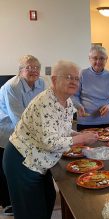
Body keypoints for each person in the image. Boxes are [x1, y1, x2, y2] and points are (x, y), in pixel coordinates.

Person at [3, 60, 99, 219]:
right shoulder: (44, 103)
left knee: (48, 200)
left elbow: (61, 129)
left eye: (77, 78)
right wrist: (81, 138)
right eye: (69, 77)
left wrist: (77, 135)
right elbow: (50, 142)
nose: (74, 82)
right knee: (31, 212)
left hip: (39, 162)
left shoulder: (67, 102)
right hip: (23, 161)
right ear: (54, 80)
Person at [0, 55, 45, 216]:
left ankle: (25, 200)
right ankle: (9, 204)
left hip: (29, 130)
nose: (34, 70)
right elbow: (19, 119)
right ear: (20, 71)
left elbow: (42, 108)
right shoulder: (12, 87)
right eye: (29, 67)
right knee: (10, 169)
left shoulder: (41, 83)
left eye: (36, 68)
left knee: (25, 167)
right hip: (7, 130)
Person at [72, 45, 109, 131]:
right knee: (84, 145)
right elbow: (74, 95)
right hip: (85, 121)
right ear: (89, 59)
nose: (98, 62)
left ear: (106, 59)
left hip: (107, 121)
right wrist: (78, 106)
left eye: (102, 58)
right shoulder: (82, 74)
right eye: (95, 58)